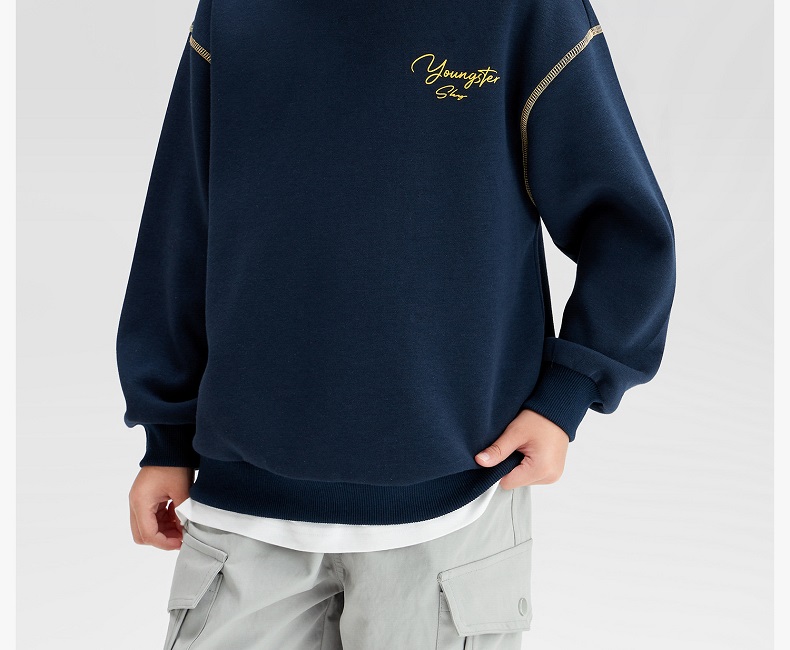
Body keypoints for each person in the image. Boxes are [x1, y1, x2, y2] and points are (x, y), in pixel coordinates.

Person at [116, 0, 676, 648]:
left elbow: (626, 230)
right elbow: (181, 221)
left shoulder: (524, 10)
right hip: (243, 508)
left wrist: (568, 393)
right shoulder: (236, 10)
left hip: (452, 511)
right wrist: (166, 436)